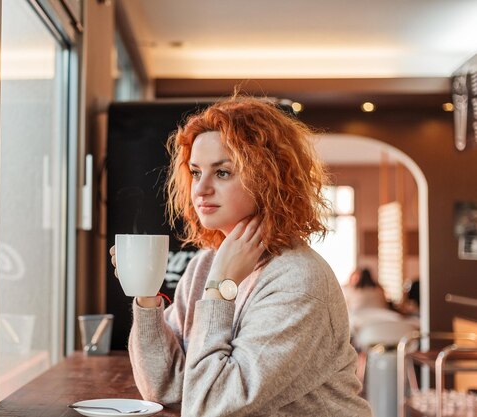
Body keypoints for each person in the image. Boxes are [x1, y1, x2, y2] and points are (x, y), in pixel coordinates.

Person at [109, 96, 372, 416]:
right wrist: (146, 294)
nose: (200, 189)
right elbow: (168, 390)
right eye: (195, 172)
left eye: (222, 173)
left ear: (267, 178)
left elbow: (211, 406)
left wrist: (220, 288)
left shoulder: (298, 279)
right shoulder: (204, 265)